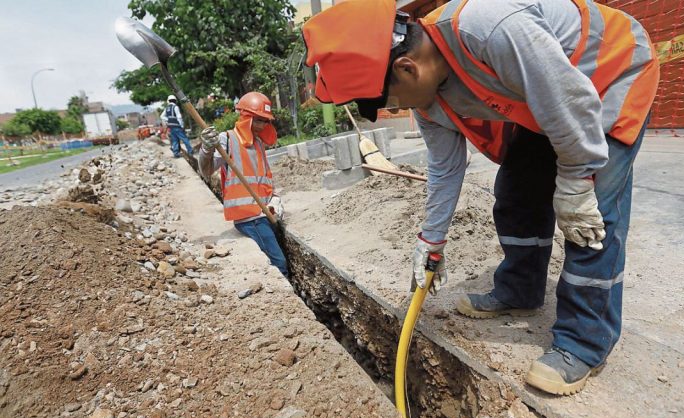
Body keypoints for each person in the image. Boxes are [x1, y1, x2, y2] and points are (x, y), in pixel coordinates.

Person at [302, 0, 659, 395]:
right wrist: (430, 240)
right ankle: (520, 291)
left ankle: (585, 342)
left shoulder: (489, 29)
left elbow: (569, 100)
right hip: (554, 98)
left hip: (609, 73)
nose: (399, 108)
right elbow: (444, 169)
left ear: (407, 68)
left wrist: (576, 182)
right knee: (516, 188)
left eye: (392, 100)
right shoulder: (429, 97)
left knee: (592, 217)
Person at [198, 92, 289, 277]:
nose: (262, 125)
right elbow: (206, 171)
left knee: (279, 256)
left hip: (263, 213)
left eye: (265, 121)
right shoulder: (227, 139)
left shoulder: (258, 143)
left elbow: (263, 180)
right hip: (250, 218)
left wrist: (274, 201)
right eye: (258, 120)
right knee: (280, 263)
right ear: (246, 117)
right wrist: (206, 148)